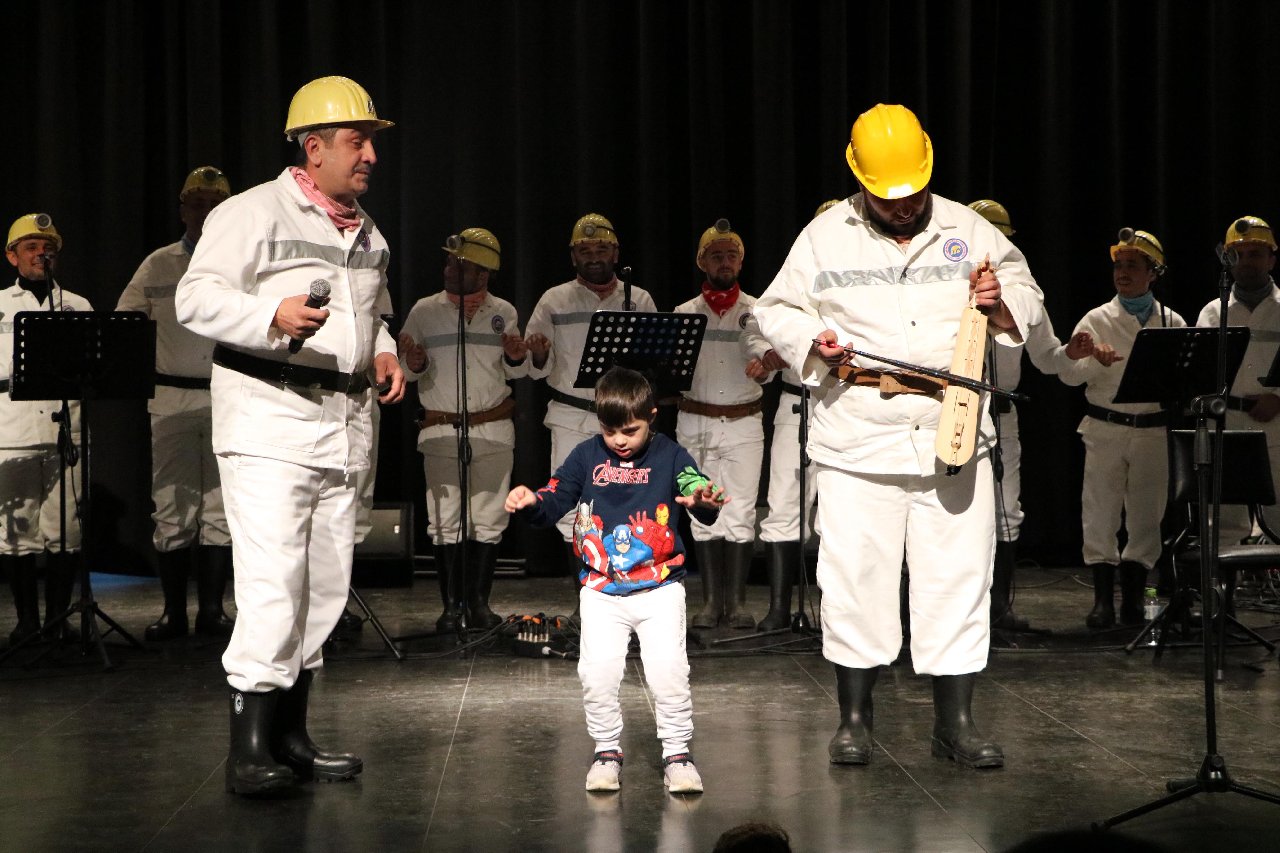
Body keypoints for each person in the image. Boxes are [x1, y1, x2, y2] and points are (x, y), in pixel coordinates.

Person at [755, 104, 1044, 769]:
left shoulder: (968, 228)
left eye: (913, 192)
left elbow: (1027, 292)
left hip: (954, 434)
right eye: (889, 198)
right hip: (858, 438)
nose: (904, 206)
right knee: (856, 579)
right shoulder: (824, 237)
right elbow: (774, 309)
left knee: (958, 578)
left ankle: (957, 723)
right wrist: (811, 342)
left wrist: (1002, 302)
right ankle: (855, 720)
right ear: (858, 178)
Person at [174, 75, 404, 795]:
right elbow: (195, 297)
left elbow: (373, 314)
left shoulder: (368, 232)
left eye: (372, 141)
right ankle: (249, 745)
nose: (369, 153)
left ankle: (293, 734)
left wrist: (386, 347)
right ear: (314, 148)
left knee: (324, 589)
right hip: (271, 419)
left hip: (343, 426)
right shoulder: (251, 212)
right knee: (274, 585)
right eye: (356, 140)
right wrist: (271, 313)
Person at [504, 366, 726, 794]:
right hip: (602, 591)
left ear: (652, 416)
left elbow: (695, 490)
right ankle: (606, 751)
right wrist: (532, 501)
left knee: (668, 673)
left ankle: (677, 754)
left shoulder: (671, 455)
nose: (620, 440)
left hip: (660, 588)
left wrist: (702, 501)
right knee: (598, 674)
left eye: (630, 430)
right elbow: (554, 498)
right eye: (610, 431)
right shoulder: (587, 456)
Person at [116, 167, 236, 641]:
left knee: (220, 507)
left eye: (214, 204)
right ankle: (173, 613)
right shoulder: (158, 264)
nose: (204, 212)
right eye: (197, 203)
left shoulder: (241, 263)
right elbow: (125, 320)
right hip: (169, 397)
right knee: (172, 504)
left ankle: (211, 610)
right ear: (183, 208)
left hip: (227, 395)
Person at [967, 199, 1093, 633]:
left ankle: (998, 606)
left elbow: (1047, 358)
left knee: (1005, 511)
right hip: (953, 413)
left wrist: (1070, 354)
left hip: (1002, 416)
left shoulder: (1021, 296)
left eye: (998, 236)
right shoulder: (946, 288)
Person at [399, 227, 528, 632]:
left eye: (463, 264)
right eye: (451, 261)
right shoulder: (424, 310)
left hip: (492, 430)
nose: (451, 268)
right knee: (445, 520)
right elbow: (402, 369)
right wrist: (415, 364)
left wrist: (516, 357)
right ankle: (452, 606)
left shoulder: (503, 311)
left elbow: (517, 370)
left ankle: (478, 604)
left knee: (488, 519)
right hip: (440, 431)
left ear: (485, 272)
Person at [1056, 229, 1185, 629]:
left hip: (1152, 430)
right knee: (1101, 513)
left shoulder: (1172, 320)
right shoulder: (1097, 318)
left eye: (1133, 265)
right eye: (1118, 265)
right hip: (1107, 428)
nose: (1123, 272)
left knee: (1147, 516)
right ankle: (1102, 602)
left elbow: (1184, 376)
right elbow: (1068, 375)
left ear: (1153, 273)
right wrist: (1090, 358)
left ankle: (1132, 600)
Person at [524, 214, 657, 599]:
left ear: (615, 253)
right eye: (585, 251)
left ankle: (625, 598)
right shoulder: (554, 299)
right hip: (570, 416)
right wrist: (536, 355)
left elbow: (653, 363)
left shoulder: (639, 298)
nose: (594, 257)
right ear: (573, 257)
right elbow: (535, 370)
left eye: (601, 249)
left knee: (627, 506)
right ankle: (586, 601)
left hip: (624, 422)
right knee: (571, 511)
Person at [675, 220, 773, 630]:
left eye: (731, 255)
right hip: (694, 420)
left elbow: (767, 356)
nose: (725, 261)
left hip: (743, 424)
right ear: (702, 262)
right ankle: (711, 602)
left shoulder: (756, 310)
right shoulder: (683, 314)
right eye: (716, 255)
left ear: (741, 261)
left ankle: (737, 604)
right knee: (701, 511)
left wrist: (763, 366)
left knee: (741, 513)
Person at [1, 213, 92, 646]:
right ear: (12, 256)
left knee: (65, 530)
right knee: (16, 533)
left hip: (66, 434)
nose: (42, 253)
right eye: (32, 246)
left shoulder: (77, 305)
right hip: (11, 434)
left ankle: (59, 620)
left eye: (48, 246)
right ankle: (26, 623)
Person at [754, 201, 839, 633]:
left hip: (841, 403)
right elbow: (762, 323)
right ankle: (778, 609)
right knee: (785, 505)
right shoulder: (798, 274)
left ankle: (832, 612)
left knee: (837, 514)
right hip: (794, 404)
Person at [1196, 216, 1280, 542]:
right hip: (1226, 420)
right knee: (1225, 515)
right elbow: (1200, 372)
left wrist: (1277, 395)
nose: (1246, 262)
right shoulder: (1212, 312)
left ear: (1271, 258)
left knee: (1277, 510)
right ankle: (1225, 587)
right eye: (1238, 254)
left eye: (1255, 254)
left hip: (1275, 423)